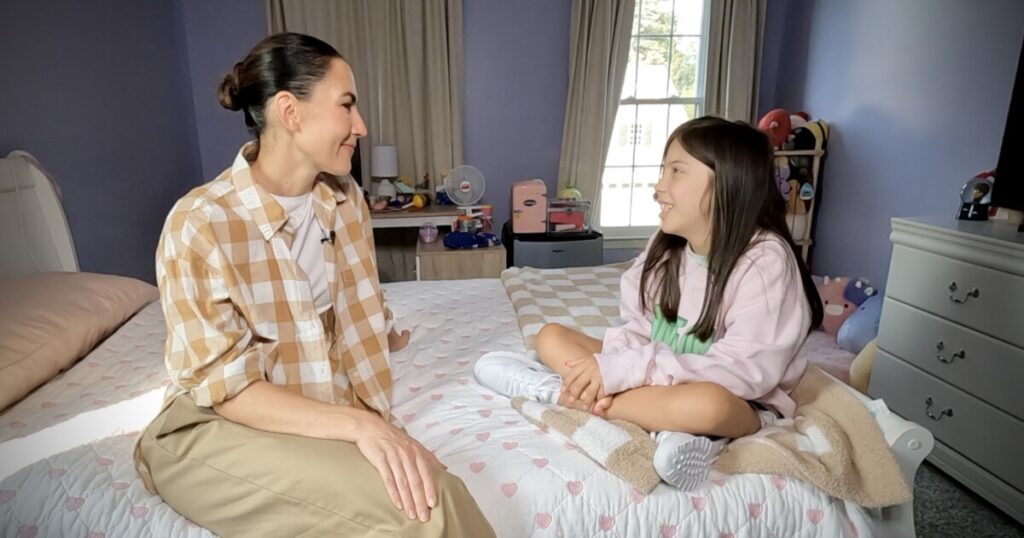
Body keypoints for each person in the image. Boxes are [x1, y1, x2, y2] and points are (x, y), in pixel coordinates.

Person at [135, 32, 494, 537]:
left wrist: (383, 337)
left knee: (433, 488)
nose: (361, 126)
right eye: (347, 106)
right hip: (211, 426)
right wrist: (362, 426)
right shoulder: (200, 223)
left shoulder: (345, 200)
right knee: (430, 510)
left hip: (309, 409)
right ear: (290, 111)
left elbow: (351, 299)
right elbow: (223, 387)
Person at [475, 116, 823, 490]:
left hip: (737, 398)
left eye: (676, 171)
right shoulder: (666, 247)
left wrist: (627, 371)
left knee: (707, 407)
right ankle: (662, 426)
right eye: (663, 171)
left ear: (728, 183)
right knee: (550, 336)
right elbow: (638, 329)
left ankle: (559, 393)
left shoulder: (765, 259)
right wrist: (614, 365)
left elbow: (746, 373)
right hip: (659, 379)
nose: (659, 187)